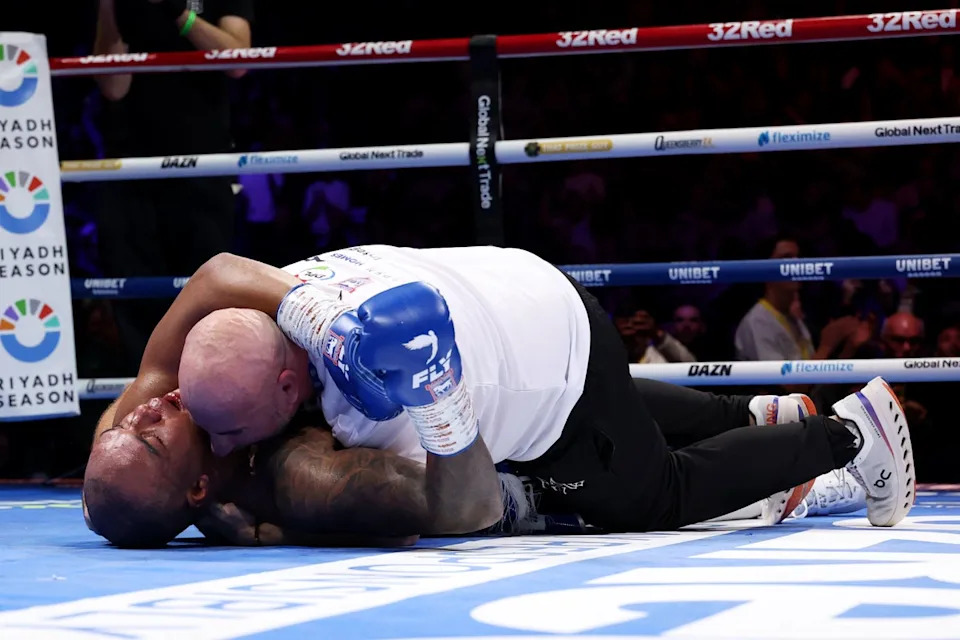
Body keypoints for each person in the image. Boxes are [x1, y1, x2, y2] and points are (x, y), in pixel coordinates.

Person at [83, 245, 915, 540]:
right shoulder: (288, 407)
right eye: (152, 432)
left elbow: (470, 509)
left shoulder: (335, 395)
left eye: (139, 413)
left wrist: (431, 392)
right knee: (613, 416)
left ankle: (850, 436)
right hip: (509, 288)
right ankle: (753, 415)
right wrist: (437, 388)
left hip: (542, 354)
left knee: (649, 490)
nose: (154, 406)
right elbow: (224, 278)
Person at [91, 0, 253, 372]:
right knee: (137, 304)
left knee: (209, 298)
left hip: (204, 167)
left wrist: (180, 13)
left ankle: (211, 404)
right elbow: (113, 86)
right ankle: (146, 413)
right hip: (131, 170)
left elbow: (238, 60)